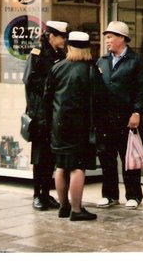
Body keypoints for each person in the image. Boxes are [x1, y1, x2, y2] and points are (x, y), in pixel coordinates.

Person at [43, 31, 101, 221]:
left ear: (69, 47)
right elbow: (99, 99)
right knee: (77, 168)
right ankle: (76, 210)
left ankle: (63, 207)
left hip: (58, 125)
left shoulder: (57, 67)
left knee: (61, 166)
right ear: (87, 49)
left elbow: (47, 98)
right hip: (80, 126)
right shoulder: (91, 70)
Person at [95, 21, 143, 210]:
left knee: (130, 159)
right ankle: (109, 195)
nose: (107, 41)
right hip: (105, 119)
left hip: (127, 118)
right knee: (107, 158)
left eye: (110, 37)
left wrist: (137, 111)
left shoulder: (136, 61)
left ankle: (134, 195)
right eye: (107, 37)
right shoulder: (102, 60)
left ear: (122, 39)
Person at [22, 20, 68, 211]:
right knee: (40, 156)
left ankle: (46, 193)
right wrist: (51, 87)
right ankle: (37, 195)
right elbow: (30, 80)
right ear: (51, 36)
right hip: (40, 112)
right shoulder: (38, 53)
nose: (64, 40)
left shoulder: (60, 53)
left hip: (53, 112)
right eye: (61, 36)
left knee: (49, 157)